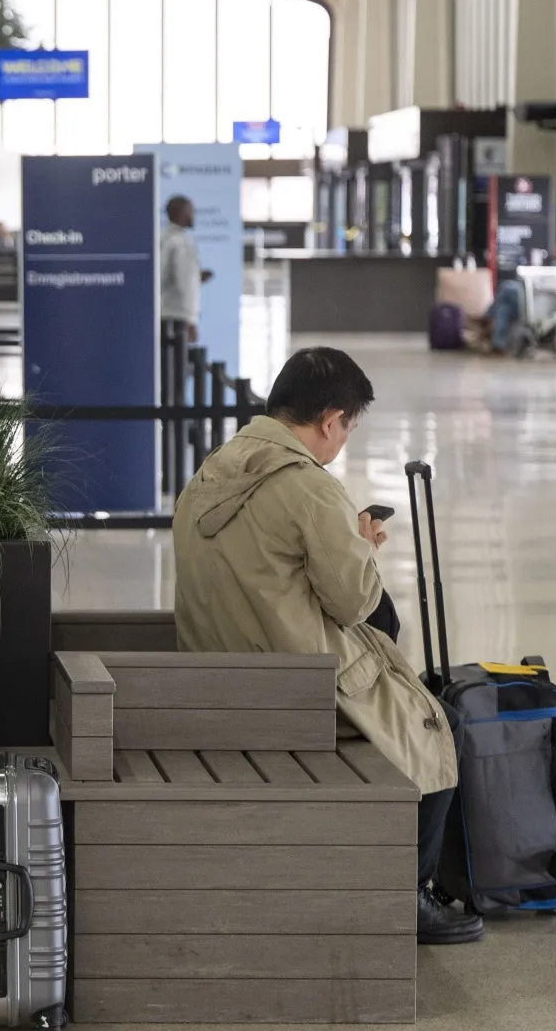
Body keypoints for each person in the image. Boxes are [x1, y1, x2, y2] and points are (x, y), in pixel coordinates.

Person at [168, 346, 480, 947]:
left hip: (212, 674)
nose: (342, 442)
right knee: (438, 723)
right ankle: (407, 894)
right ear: (331, 419)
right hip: (294, 691)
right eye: (348, 429)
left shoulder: (214, 466)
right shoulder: (311, 487)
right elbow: (355, 605)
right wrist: (360, 544)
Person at [159, 194, 213, 345]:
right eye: (190, 211)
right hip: (177, 317)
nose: (193, 215)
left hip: (163, 313)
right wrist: (190, 321)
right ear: (181, 212)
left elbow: (164, 275)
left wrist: (197, 277)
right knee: (176, 365)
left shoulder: (162, 238)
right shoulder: (181, 242)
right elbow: (185, 283)